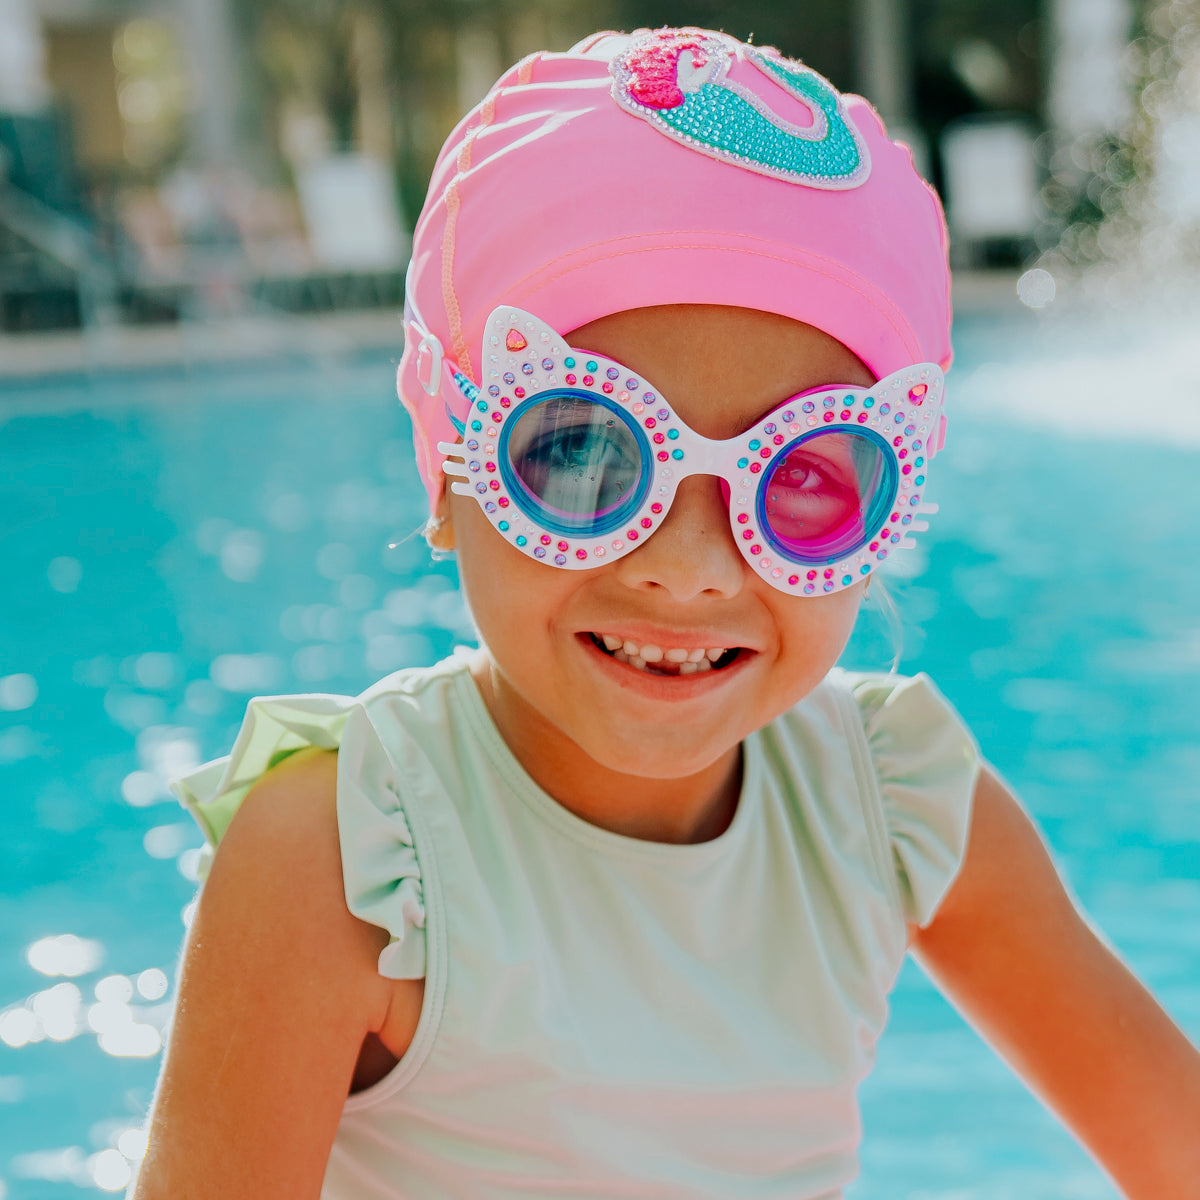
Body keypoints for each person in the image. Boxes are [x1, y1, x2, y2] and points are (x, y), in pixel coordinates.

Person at [130, 26, 1200, 1200]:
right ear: (447, 468)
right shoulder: (350, 858)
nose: (690, 570)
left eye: (803, 473)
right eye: (582, 453)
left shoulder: (893, 805)